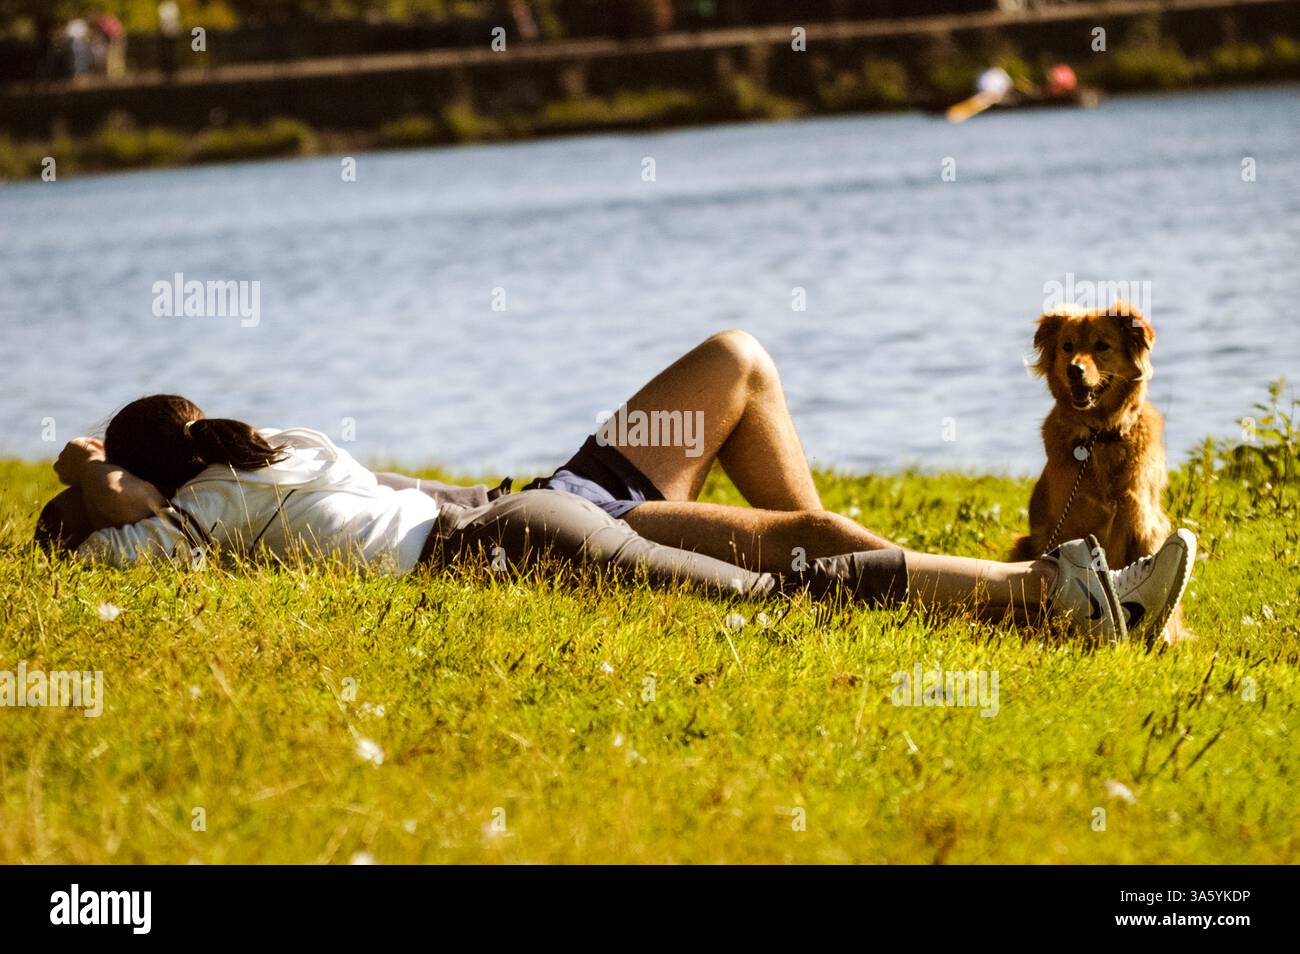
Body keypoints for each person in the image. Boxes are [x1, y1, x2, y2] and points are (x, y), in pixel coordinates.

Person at [37, 331, 1195, 644]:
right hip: (524, 515)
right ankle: (1060, 603)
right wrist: (108, 469)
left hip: (521, 521)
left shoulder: (206, 512)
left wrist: (83, 478)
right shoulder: (265, 454)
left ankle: (1064, 602)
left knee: (791, 557)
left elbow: (131, 544)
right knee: (790, 566)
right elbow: (140, 532)